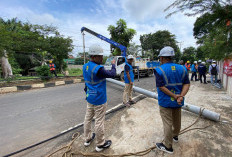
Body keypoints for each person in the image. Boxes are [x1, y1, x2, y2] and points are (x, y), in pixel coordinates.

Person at [154, 46, 190, 154]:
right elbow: (187, 83)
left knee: (167, 123)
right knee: (176, 119)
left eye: (160, 58)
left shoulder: (159, 70)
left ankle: (168, 146)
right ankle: (175, 136)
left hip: (165, 102)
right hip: (178, 101)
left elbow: (161, 86)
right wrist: (180, 96)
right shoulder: (182, 68)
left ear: (162, 58)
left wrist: (175, 96)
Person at [83, 44, 116, 152]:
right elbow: (112, 74)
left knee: (88, 118)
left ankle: (87, 139)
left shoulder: (85, 66)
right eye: (100, 56)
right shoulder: (98, 68)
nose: (102, 58)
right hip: (99, 99)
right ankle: (100, 144)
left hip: (90, 97)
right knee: (99, 121)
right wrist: (113, 65)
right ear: (93, 56)